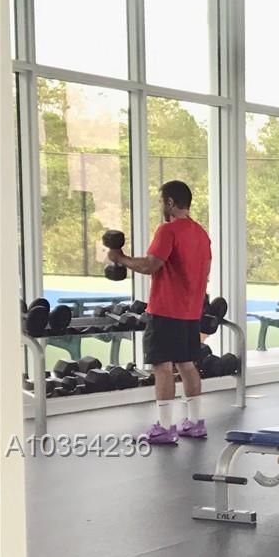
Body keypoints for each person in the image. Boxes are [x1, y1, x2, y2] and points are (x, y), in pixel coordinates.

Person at [105, 180, 213, 444]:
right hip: (191, 312)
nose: (159, 206)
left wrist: (120, 258)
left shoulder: (168, 231)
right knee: (186, 364)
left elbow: (150, 265)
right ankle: (195, 423)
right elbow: (202, 271)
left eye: (160, 201)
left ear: (170, 203)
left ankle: (165, 428)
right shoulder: (201, 234)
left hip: (166, 310)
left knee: (162, 366)